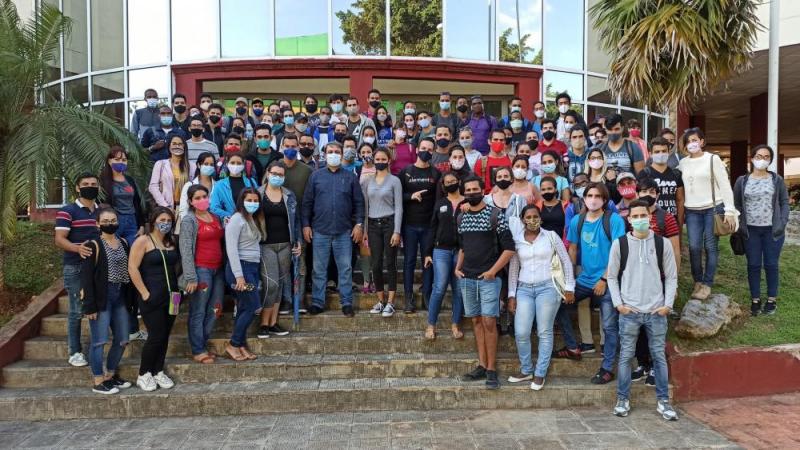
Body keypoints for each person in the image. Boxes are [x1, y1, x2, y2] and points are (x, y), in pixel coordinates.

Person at [609, 200, 679, 421]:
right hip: (629, 311)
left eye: (643, 215)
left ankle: (663, 401)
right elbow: (611, 276)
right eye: (635, 216)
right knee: (626, 356)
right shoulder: (620, 244)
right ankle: (622, 399)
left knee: (658, 356)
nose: (639, 219)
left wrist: (668, 304)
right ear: (629, 219)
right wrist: (618, 304)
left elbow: (671, 276)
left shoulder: (662, 243)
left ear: (650, 217)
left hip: (656, 311)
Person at [555, 182, 626, 386]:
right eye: (589, 195)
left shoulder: (613, 220)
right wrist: (569, 283)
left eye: (598, 196)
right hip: (584, 279)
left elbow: (619, 252)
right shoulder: (577, 220)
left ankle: (607, 368)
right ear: (584, 199)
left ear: (605, 200)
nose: (593, 199)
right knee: (556, 303)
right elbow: (573, 250)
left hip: (609, 280)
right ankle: (571, 346)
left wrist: (604, 279)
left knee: (609, 325)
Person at [506, 204, 575, 390]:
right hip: (524, 288)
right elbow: (513, 269)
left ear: (541, 218)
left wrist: (569, 287)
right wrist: (511, 294)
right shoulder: (517, 240)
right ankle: (526, 368)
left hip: (548, 287)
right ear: (522, 220)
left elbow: (566, 261)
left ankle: (540, 373)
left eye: (535, 216)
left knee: (544, 331)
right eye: (528, 217)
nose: (532, 220)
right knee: (521, 332)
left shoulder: (551, 236)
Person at [456, 176, 516, 390]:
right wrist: (457, 267)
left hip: (489, 279)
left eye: (475, 189)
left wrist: (492, 272)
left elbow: (509, 248)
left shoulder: (495, 215)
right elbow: (462, 246)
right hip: (468, 279)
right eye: (468, 190)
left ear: (483, 190)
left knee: (490, 322)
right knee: (476, 322)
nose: (472, 193)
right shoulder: (461, 217)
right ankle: (481, 365)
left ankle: (491, 369)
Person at [302, 142, 365, 316]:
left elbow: (359, 203)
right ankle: (317, 302)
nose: (334, 154)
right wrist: (306, 225)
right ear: (324, 154)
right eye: (330, 152)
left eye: (337, 151)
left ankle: (346, 303)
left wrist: (359, 224)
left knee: (345, 269)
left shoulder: (350, 177)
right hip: (320, 230)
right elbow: (307, 203)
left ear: (342, 154)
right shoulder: (316, 176)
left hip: (344, 231)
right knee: (319, 269)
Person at [678, 127, 738, 301]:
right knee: (694, 247)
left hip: (713, 208)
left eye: (695, 140)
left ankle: (707, 284)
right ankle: (697, 280)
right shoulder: (683, 163)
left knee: (710, 247)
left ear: (702, 141)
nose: (692, 144)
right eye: (688, 141)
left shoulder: (713, 159)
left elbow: (725, 185)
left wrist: (729, 210)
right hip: (692, 211)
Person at [80, 207, 134, 394]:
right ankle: (98, 380)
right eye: (106, 221)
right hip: (102, 296)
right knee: (99, 341)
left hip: (120, 295)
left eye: (113, 221)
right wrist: (89, 305)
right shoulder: (93, 245)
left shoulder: (124, 243)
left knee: (122, 338)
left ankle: (110, 375)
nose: (110, 224)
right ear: (98, 224)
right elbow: (86, 278)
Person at [733, 144, 790, 316]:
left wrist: (782, 222)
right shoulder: (742, 181)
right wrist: (738, 223)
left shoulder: (776, 180)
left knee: (771, 265)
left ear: (770, 160)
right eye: (759, 156)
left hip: (772, 231)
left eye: (766, 157)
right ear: (752, 158)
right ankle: (755, 300)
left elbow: (784, 202)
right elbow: (736, 205)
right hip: (750, 231)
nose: (762, 160)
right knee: (753, 265)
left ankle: (771, 300)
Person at [128, 207, 179, 392]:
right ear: (154, 220)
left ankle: (158, 370)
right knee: (155, 335)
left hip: (173, 296)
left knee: (165, 335)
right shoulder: (143, 241)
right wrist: (144, 292)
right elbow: (132, 268)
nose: (165, 223)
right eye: (162, 219)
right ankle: (144, 373)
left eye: (169, 220)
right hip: (152, 296)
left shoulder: (171, 241)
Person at [55, 173, 101, 368]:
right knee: (76, 311)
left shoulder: (104, 211)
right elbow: (60, 239)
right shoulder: (68, 211)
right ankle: (74, 351)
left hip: (98, 268)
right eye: (85, 184)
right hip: (75, 266)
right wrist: (78, 248)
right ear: (77, 188)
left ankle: (96, 348)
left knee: (96, 308)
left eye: (93, 184)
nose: (90, 187)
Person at [177, 185, 224, 364]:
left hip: (218, 269)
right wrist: (191, 276)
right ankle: (198, 349)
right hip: (200, 270)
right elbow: (186, 249)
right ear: (190, 201)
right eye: (197, 198)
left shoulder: (215, 217)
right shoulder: (189, 220)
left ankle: (202, 343)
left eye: (204, 196)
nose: (202, 200)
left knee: (216, 308)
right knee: (198, 310)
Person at [257, 163, 301, 337]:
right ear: (268, 173)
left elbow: (295, 220)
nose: (277, 176)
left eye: (280, 174)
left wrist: (298, 242)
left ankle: (273, 322)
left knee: (281, 283)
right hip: (265, 245)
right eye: (274, 173)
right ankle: (263, 323)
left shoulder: (289, 195)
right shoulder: (257, 194)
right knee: (271, 284)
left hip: (285, 244)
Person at [398, 141, 440, 313]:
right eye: (423, 149)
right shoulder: (406, 172)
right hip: (409, 225)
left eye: (430, 150)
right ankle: (409, 297)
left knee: (427, 262)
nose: (426, 152)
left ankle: (427, 296)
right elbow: (398, 195)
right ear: (417, 150)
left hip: (428, 226)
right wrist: (411, 196)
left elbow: (438, 200)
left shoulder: (436, 173)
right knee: (408, 262)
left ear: (433, 152)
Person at [363, 148, 403, 317]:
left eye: (383, 158)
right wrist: (365, 230)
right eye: (377, 158)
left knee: (390, 263)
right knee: (376, 263)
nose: (379, 161)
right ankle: (380, 299)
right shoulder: (367, 181)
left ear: (388, 160)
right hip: (372, 225)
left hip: (389, 223)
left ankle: (391, 301)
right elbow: (365, 207)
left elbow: (399, 207)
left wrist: (397, 231)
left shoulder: (395, 181)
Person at [425, 173, 466, 340]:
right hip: (441, 250)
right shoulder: (440, 203)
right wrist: (427, 253)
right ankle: (430, 325)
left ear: (459, 182)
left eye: (453, 181)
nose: (450, 184)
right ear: (443, 185)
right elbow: (432, 228)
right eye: (447, 182)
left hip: (461, 251)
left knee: (458, 290)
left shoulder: (467, 202)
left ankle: (455, 324)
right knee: (439, 287)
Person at [223, 189, 262, 361]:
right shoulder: (236, 219)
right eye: (249, 200)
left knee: (245, 307)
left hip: (252, 268)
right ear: (242, 201)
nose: (253, 203)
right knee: (253, 306)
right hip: (241, 269)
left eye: (255, 200)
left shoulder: (251, 219)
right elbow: (231, 249)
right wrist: (239, 276)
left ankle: (240, 345)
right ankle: (233, 343)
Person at [640, 137, 686, 228]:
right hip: (651, 221)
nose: (661, 154)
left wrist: (680, 223)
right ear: (650, 154)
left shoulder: (676, 174)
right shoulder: (644, 174)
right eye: (657, 152)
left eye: (664, 151)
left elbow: (680, 200)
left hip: (672, 220)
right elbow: (639, 200)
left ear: (668, 152)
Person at [210, 153, 259, 222]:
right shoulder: (220, 185)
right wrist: (231, 216)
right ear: (227, 164)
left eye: (239, 163)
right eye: (232, 163)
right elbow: (214, 207)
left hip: (251, 221)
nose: (235, 165)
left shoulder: (251, 182)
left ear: (243, 165)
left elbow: (258, 201)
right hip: (231, 222)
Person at [148, 134, 191, 212]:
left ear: (184, 147)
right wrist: (165, 205)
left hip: (185, 208)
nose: (177, 146)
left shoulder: (191, 166)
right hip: (164, 208)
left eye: (180, 144)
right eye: (174, 143)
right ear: (169, 146)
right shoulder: (160, 164)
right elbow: (153, 186)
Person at [177, 152, 217, 236]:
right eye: (206, 164)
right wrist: (187, 228)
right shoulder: (189, 185)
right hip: (195, 228)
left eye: (211, 164)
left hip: (213, 226)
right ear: (199, 165)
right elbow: (183, 209)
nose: (209, 167)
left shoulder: (218, 185)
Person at [473, 129, 512, 194]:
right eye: (495, 140)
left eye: (501, 140)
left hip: (508, 197)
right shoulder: (481, 162)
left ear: (505, 142)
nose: (498, 142)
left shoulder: (511, 160)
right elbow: (476, 185)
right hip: (488, 198)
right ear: (489, 141)